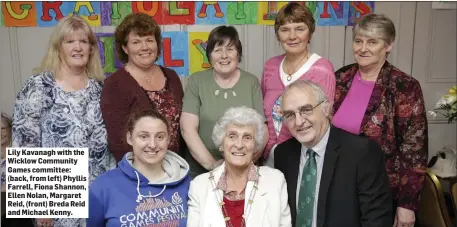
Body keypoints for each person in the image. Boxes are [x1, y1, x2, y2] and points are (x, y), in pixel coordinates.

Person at [11, 16, 116, 227]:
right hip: (58, 197)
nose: (77, 47)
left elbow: (110, 147)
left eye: (83, 41)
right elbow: (24, 146)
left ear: (92, 49)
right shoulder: (39, 86)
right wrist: (40, 207)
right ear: (58, 48)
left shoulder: (100, 88)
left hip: (100, 192)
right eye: (70, 42)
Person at [331, 14, 428, 227]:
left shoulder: (404, 87)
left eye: (372, 42)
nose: (363, 48)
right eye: (358, 41)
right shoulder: (340, 78)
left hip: (381, 192)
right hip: (339, 188)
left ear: (389, 45)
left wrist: (407, 205)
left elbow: (414, 151)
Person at [275, 80, 393, 227]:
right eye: (290, 115)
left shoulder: (361, 152)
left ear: (325, 108)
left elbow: (377, 219)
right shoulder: (283, 154)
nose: (299, 122)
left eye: (306, 110)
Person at [181, 25, 266, 178]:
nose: (224, 56)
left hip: (243, 168)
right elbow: (188, 129)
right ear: (209, 55)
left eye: (230, 49)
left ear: (238, 53)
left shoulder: (251, 82)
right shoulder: (197, 81)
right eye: (218, 50)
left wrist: (243, 162)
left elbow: (262, 130)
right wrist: (213, 165)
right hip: (201, 169)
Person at [187, 106, 291, 227]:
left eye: (247, 137)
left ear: (255, 146)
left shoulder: (275, 180)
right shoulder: (199, 186)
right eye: (232, 136)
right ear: (221, 143)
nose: (239, 144)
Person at [101, 13, 184, 162]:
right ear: (125, 48)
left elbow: (181, 129)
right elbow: (118, 142)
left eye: (149, 40)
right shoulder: (114, 84)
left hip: (176, 167)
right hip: (140, 172)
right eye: (136, 42)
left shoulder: (172, 76)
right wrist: (144, 173)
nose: (144, 47)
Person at [261, 3, 336, 167]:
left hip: (304, 159)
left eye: (299, 29)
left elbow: (323, 122)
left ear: (310, 33)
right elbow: (266, 117)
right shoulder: (270, 67)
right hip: (270, 159)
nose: (292, 36)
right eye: (285, 29)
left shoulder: (322, 70)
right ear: (278, 35)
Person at [88, 110, 190, 227]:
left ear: (168, 140)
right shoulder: (103, 186)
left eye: (160, 137)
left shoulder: (187, 184)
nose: (152, 145)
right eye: (144, 136)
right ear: (130, 138)